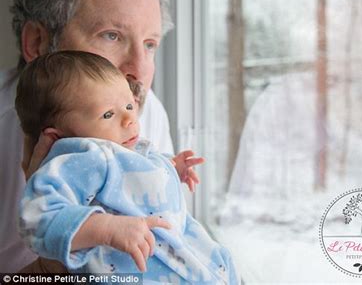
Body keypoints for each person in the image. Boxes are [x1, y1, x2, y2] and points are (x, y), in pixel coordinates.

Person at [0, 0, 175, 272]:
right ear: (37, 43)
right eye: (112, 36)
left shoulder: (145, 111)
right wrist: (48, 269)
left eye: (150, 44)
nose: (138, 69)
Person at [15, 51, 238, 284]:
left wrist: (171, 166)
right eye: (108, 114)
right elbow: (36, 217)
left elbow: (132, 178)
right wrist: (108, 228)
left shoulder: (120, 150)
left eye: (130, 106)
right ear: (59, 137)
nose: (129, 119)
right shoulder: (87, 155)